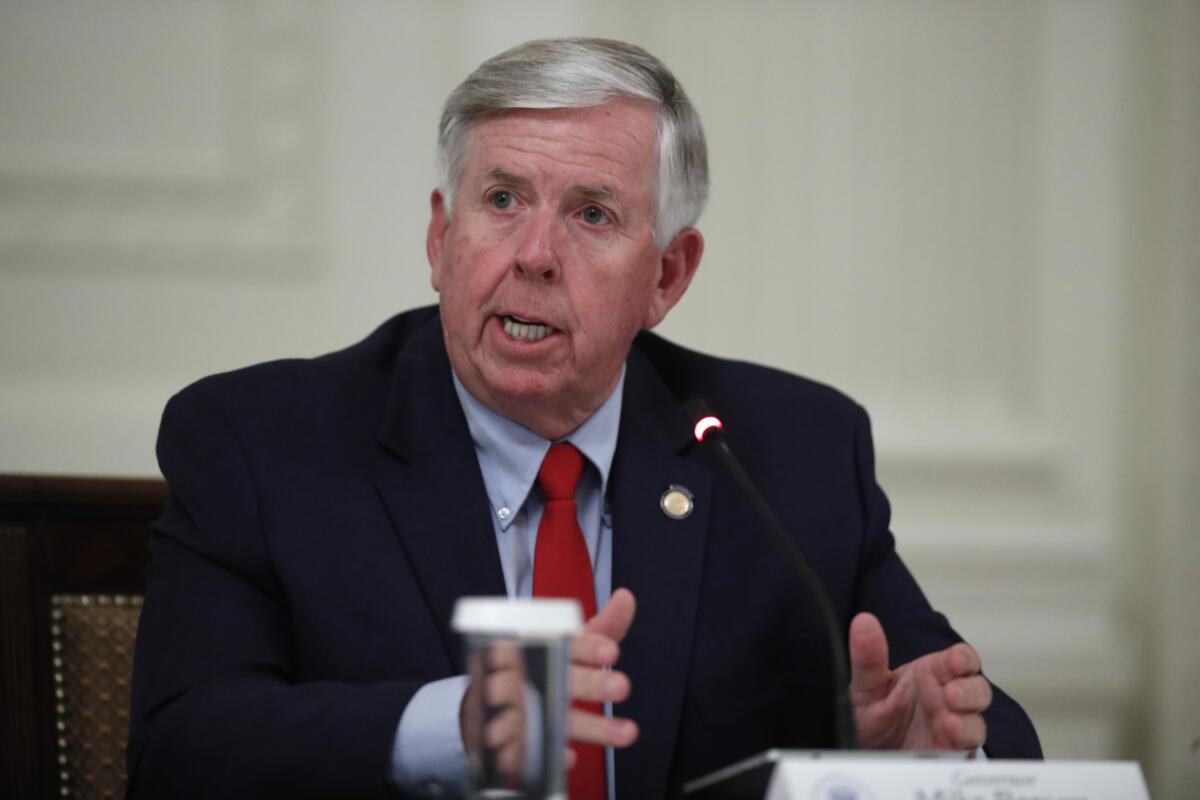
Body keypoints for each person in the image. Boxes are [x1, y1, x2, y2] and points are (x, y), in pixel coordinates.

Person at [127, 37, 1040, 799]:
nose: (533, 255)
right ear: (441, 239)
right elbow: (181, 752)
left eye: (592, 214)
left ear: (668, 277)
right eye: (502, 200)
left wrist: (924, 763)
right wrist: (457, 723)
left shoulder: (787, 454)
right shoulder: (261, 443)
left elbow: (973, 719)